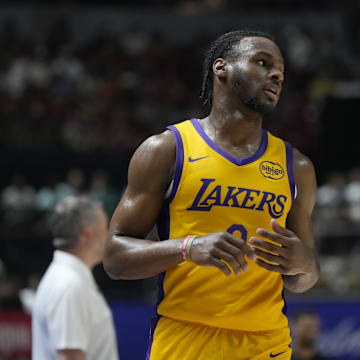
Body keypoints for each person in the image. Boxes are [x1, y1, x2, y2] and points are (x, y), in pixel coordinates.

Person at [103, 29, 320, 360]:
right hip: (185, 337)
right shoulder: (166, 150)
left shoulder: (297, 167)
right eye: (262, 63)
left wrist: (303, 262)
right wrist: (189, 248)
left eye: (280, 71)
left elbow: (305, 277)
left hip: (266, 342)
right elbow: (115, 258)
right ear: (222, 68)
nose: (275, 74)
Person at [32, 196, 119, 360]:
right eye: (104, 229)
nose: (108, 237)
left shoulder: (67, 278)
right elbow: (69, 356)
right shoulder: (70, 285)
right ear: (86, 234)